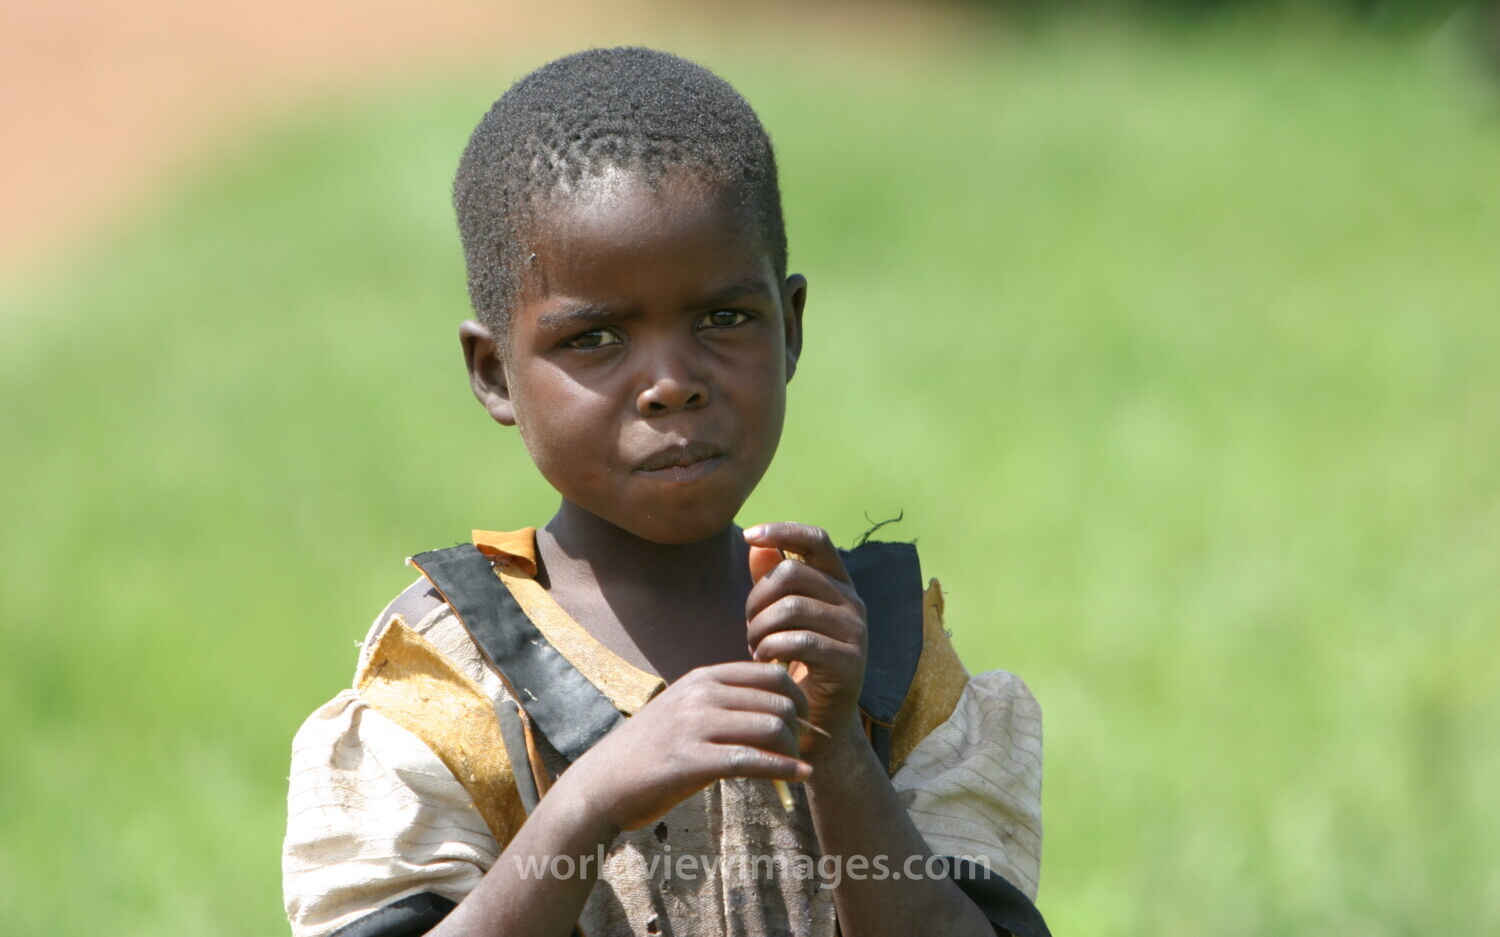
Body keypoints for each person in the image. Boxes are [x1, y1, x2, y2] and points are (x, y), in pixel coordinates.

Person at [283, 47, 1047, 937]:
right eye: (595, 338)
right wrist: (586, 804)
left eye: (723, 319)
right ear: (494, 373)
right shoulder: (448, 685)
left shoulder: (877, 653)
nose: (672, 384)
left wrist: (839, 756)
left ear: (790, 329)